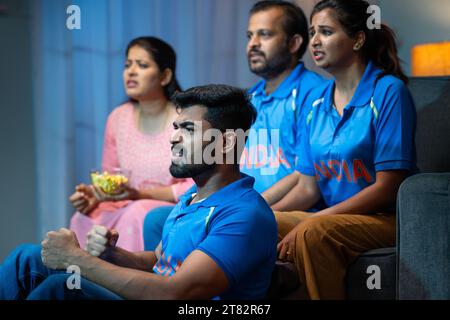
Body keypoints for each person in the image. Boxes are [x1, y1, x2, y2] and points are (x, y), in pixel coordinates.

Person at [0, 85, 277, 300]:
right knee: (28, 258)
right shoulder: (193, 197)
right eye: (176, 127)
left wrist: (76, 259)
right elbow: (159, 260)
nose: (174, 138)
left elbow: (176, 293)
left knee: (62, 288)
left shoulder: (244, 214)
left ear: (227, 143)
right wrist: (114, 254)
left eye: (188, 129)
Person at [143, 0, 324, 249]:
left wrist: (251, 204)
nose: (253, 44)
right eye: (250, 36)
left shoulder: (315, 94)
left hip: (276, 206)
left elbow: (305, 174)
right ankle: (162, 281)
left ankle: (179, 286)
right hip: (236, 200)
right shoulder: (249, 97)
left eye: (265, 34)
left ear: (294, 43)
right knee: (155, 220)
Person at [270, 0, 417, 299]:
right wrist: (255, 211)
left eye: (325, 31)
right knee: (257, 223)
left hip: (384, 219)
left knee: (313, 232)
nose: (314, 41)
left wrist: (315, 219)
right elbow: (307, 188)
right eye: (312, 33)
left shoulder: (388, 91)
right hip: (329, 215)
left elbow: (389, 187)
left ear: (358, 39)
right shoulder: (316, 102)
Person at [69, 36, 193, 252]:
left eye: (142, 65)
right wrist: (95, 195)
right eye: (127, 65)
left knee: (137, 212)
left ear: (165, 76)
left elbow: (193, 185)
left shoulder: (185, 119)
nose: (131, 71)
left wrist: (139, 195)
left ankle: (125, 281)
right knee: (82, 218)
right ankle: (83, 281)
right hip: (126, 203)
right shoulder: (118, 118)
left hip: (167, 206)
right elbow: (111, 177)